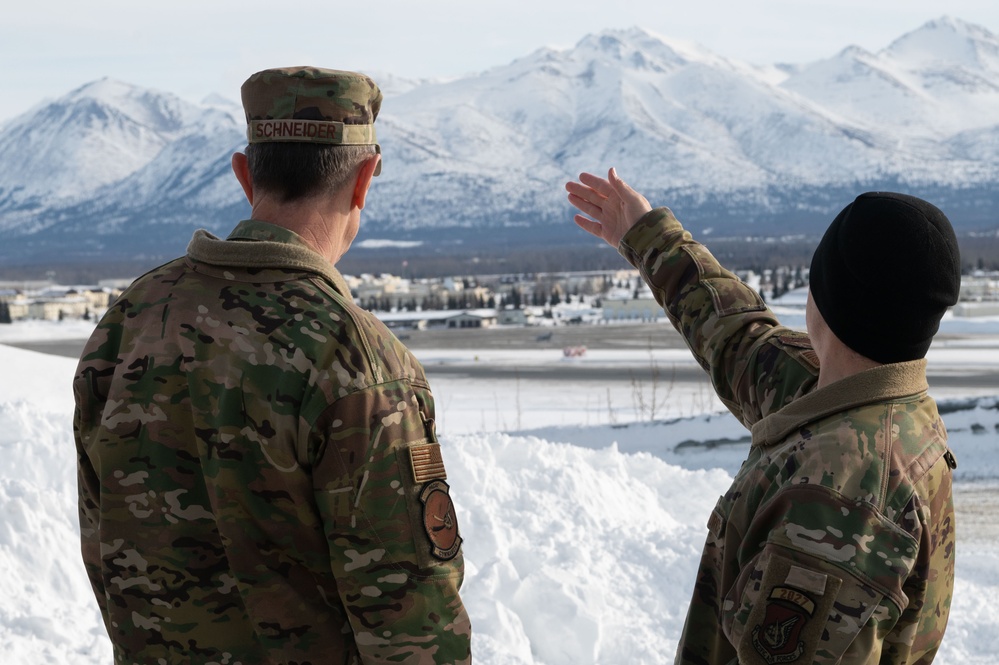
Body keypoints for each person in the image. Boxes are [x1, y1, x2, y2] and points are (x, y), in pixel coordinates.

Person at [74, 67, 471, 664]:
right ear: (363, 180)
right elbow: (414, 630)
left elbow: (104, 549)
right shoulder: (356, 362)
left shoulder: (130, 321)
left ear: (244, 173)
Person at [566, 169, 959, 664]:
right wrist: (648, 235)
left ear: (827, 298)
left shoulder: (837, 497)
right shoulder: (856, 404)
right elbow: (738, 338)